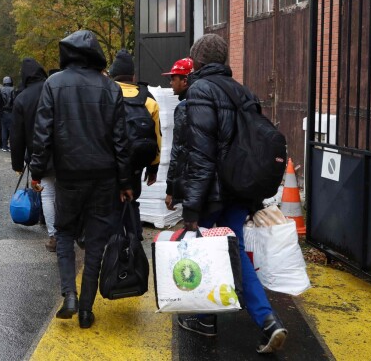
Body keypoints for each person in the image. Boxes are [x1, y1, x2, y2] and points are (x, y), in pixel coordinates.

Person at [178, 33, 288, 353]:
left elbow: (200, 154)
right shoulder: (244, 92)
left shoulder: (200, 90)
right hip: (239, 190)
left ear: (197, 61)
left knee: (204, 250)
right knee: (234, 250)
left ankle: (206, 319)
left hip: (213, 191)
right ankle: (268, 320)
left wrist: (192, 206)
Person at [30, 30, 133, 329]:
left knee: (63, 232)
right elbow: (120, 141)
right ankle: (87, 309)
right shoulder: (109, 87)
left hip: (69, 174)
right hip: (104, 176)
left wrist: (37, 171)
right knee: (97, 241)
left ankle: (69, 296)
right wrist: (125, 182)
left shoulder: (54, 84)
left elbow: (43, 133)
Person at [108, 49, 162, 240]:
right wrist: (153, 167)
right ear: (133, 76)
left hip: (110, 164)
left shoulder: (107, 93)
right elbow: (157, 136)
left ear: (113, 75)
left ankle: (115, 246)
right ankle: (134, 241)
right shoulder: (147, 98)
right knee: (132, 202)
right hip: (136, 164)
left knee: (112, 206)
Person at [11, 59, 56, 251]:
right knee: (64, 193)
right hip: (63, 151)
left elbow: (17, 135)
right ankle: (70, 231)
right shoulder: (53, 88)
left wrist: (17, 163)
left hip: (38, 153)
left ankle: (54, 235)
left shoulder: (22, 98)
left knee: (47, 194)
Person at [163, 57, 194, 210]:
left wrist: (171, 189)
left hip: (192, 180)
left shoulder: (184, 108)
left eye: (173, 78)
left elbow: (179, 150)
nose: (170, 83)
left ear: (185, 80)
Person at [0, 76, 15, 152]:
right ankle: (11, 146)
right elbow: (14, 101)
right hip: (11, 112)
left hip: (3, 112)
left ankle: (4, 146)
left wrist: (0, 111)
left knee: (3, 130)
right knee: (12, 130)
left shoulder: (0, 90)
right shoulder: (13, 89)